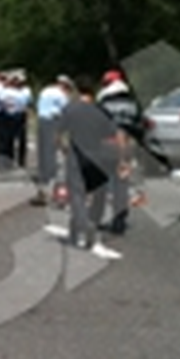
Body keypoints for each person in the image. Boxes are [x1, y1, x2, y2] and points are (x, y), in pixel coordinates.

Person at [54, 74, 124, 260]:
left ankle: (85, 226)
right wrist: (121, 158)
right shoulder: (101, 111)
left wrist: (63, 148)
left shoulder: (71, 109)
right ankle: (87, 224)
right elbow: (115, 135)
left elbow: (59, 134)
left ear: (77, 90)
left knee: (77, 195)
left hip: (77, 156)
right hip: (99, 156)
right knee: (98, 194)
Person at [96, 69, 142, 234]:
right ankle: (120, 219)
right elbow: (139, 127)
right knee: (121, 182)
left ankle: (97, 215)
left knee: (102, 182)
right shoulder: (133, 104)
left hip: (107, 145)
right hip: (127, 146)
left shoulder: (103, 103)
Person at [30, 75, 74, 206]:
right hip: (53, 122)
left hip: (41, 122)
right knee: (54, 154)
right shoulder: (62, 95)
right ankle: (56, 189)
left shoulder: (45, 91)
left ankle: (43, 184)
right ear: (65, 86)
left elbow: (38, 107)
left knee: (43, 153)